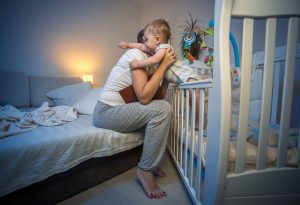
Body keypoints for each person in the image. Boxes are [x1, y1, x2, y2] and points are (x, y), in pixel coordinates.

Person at [93, 35, 177, 199]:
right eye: (147, 42)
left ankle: (151, 164)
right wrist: (163, 65)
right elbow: (145, 98)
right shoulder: (137, 56)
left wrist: (164, 73)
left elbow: (156, 99)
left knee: (160, 109)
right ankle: (144, 170)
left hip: (119, 110)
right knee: (163, 109)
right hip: (105, 112)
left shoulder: (149, 65)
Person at [118, 19, 200, 84]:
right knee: (191, 100)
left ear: (157, 39)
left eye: (146, 40)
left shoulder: (164, 47)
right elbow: (141, 46)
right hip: (182, 81)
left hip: (187, 76)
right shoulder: (155, 51)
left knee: (196, 97)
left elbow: (155, 59)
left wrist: (137, 64)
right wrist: (128, 45)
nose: (145, 43)